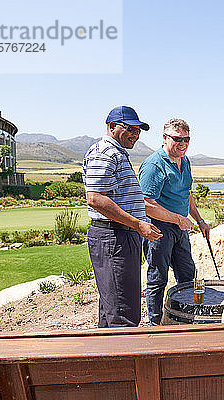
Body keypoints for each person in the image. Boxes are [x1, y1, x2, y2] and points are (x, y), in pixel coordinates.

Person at [82, 106, 162, 328]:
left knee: (114, 309)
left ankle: (106, 358)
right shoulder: (104, 152)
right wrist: (137, 224)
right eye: (130, 129)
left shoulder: (116, 152)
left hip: (120, 235)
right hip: (114, 237)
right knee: (123, 314)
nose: (135, 135)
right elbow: (96, 198)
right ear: (111, 127)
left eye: (138, 131)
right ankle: (124, 360)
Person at [138, 118, 210, 326]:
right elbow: (146, 204)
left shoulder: (185, 160)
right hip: (157, 228)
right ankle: (155, 324)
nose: (183, 143)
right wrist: (179, 219)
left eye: (186, 139)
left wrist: (200, 220)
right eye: (177, 139)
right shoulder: (154, 165)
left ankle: (185, 317)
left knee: (187, 274)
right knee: (158, 277)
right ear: (164, 138)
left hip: (180, 228)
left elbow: (186, 194)